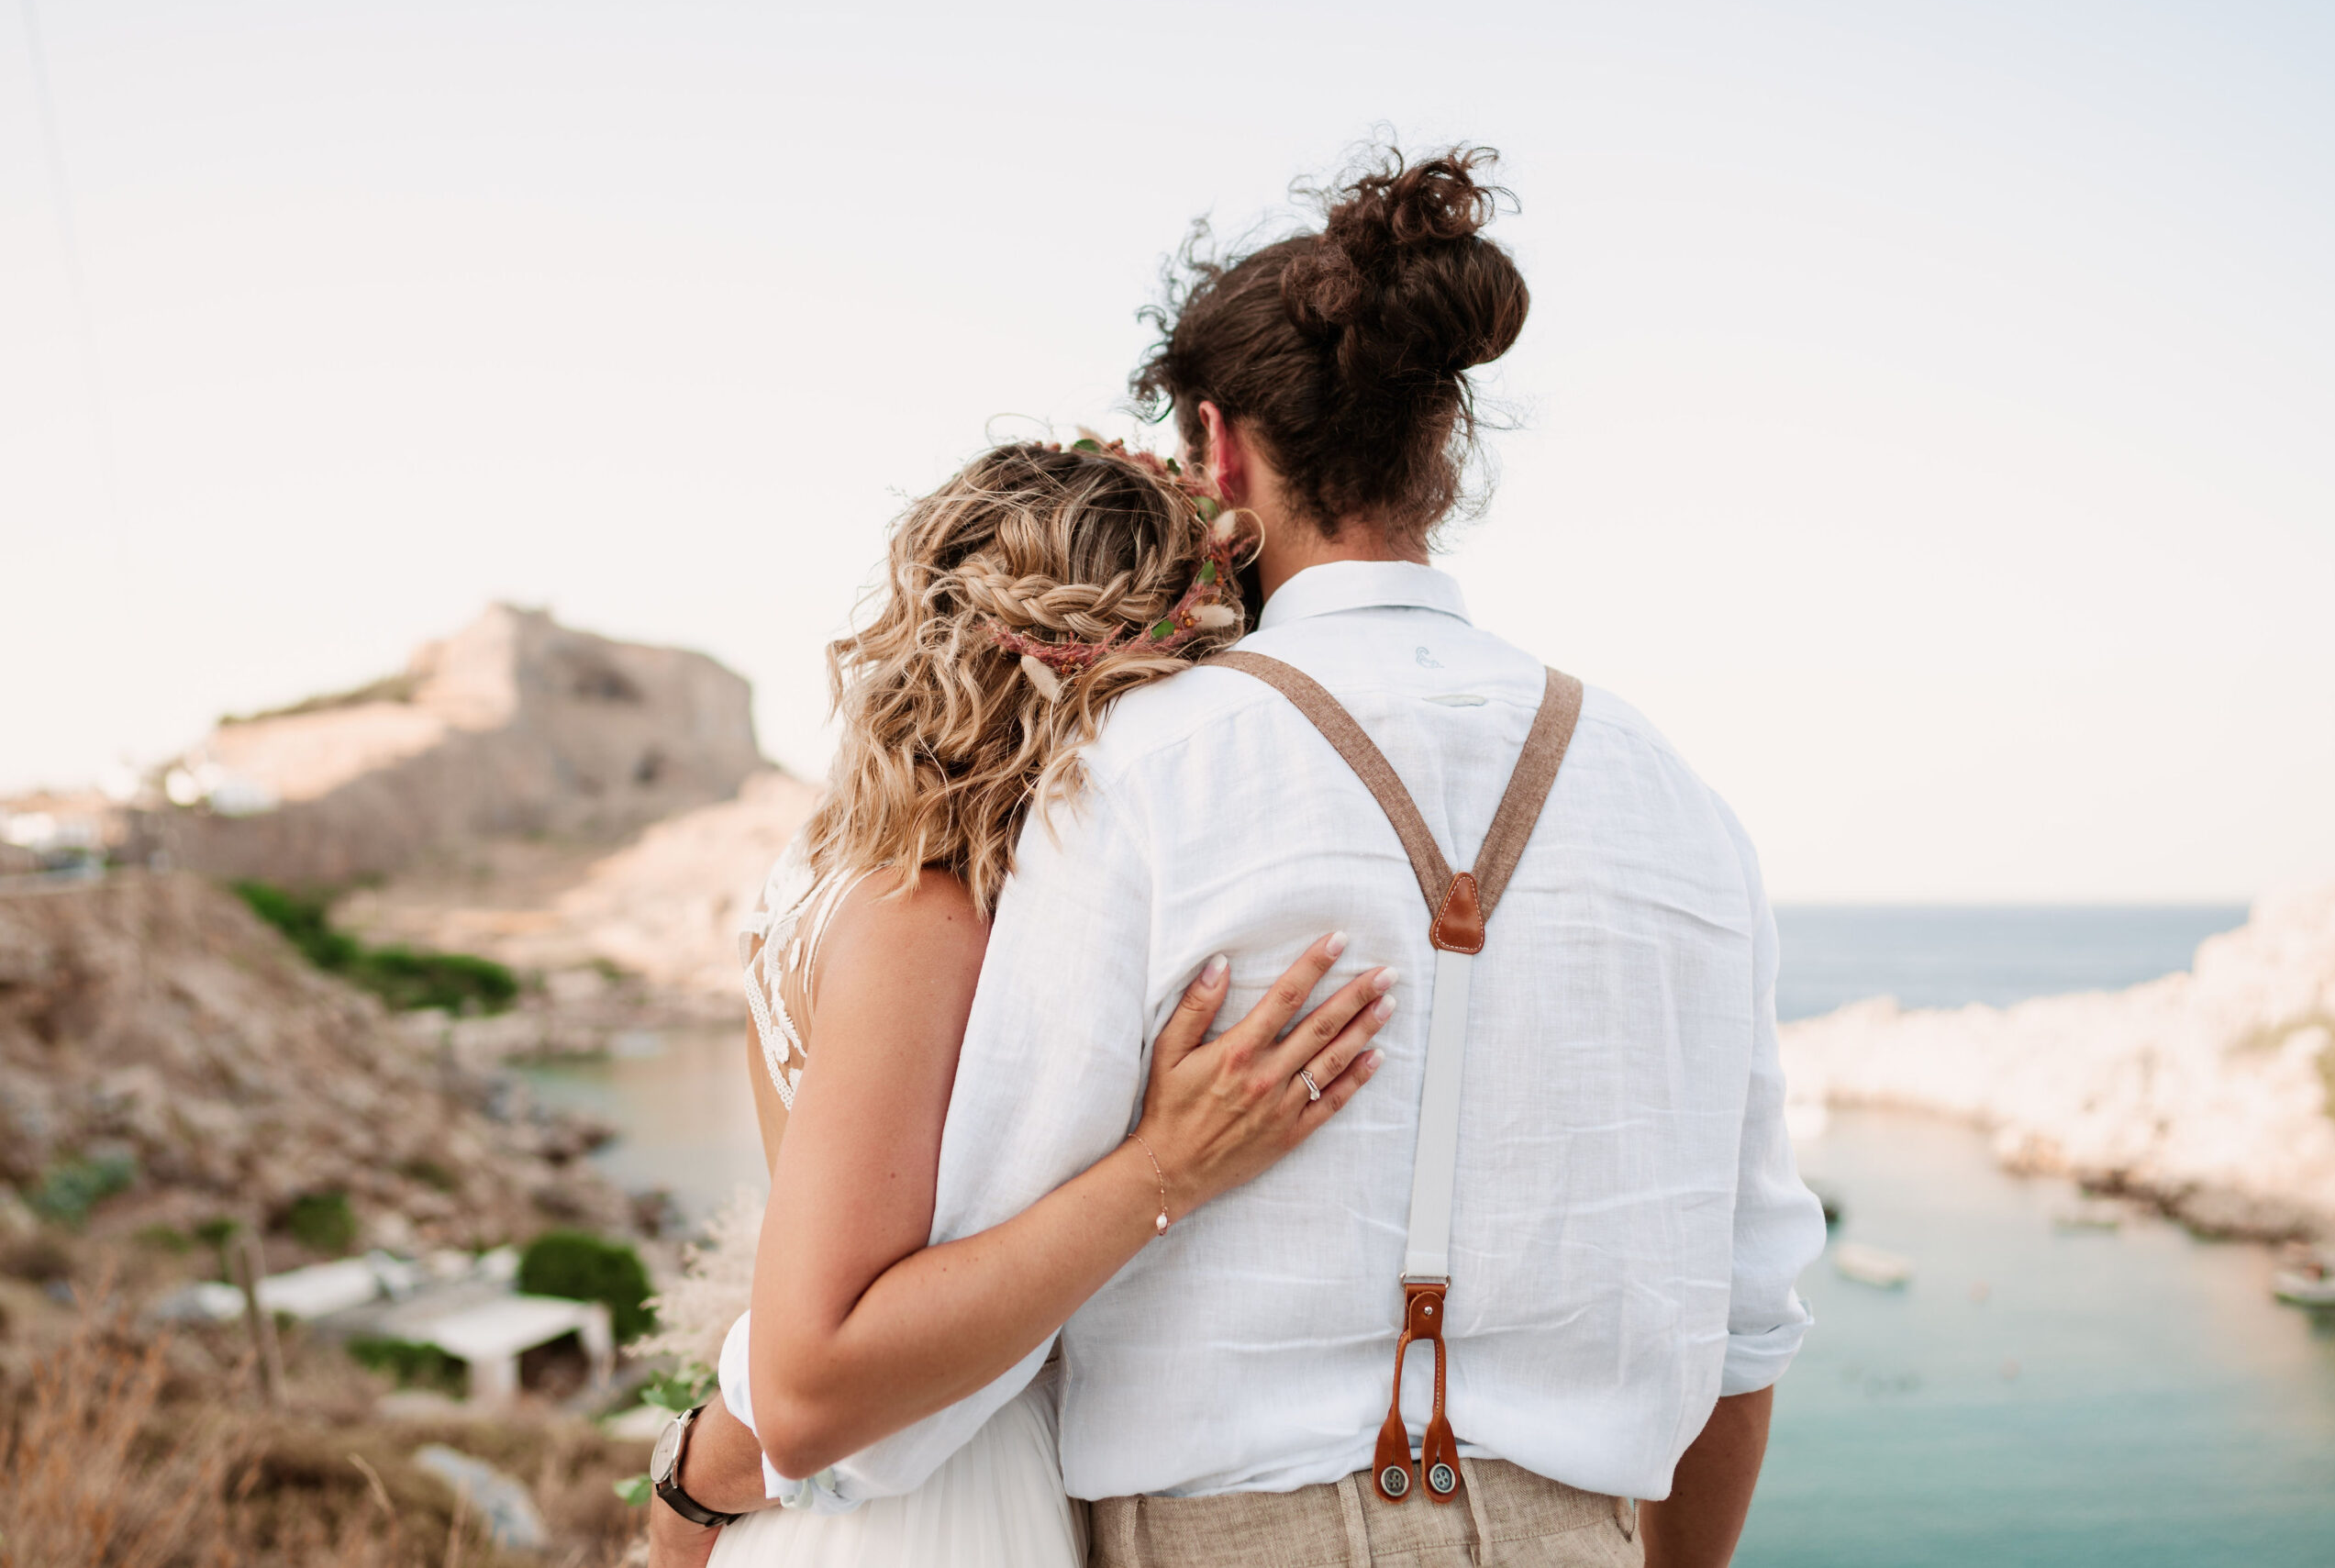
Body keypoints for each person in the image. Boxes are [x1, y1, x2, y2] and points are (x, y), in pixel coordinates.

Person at [678, 145, 1827, 1568]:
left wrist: (703, 1497)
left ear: (1219, 451)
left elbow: (903, 1359)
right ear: (1446, 451)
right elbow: (1750, 1318)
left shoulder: (1140, 775)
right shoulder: (1683, 800)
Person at [646, 439, 1396, 1568]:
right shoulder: (925, 922)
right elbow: (820, 1375)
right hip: (930, 1513)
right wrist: (1168, 1167)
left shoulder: (834, 869)